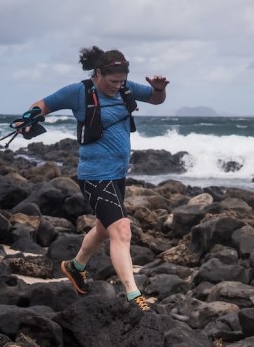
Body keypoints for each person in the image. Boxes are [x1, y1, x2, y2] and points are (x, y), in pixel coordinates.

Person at [23, 46, 169, 312]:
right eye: (113, 81)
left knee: (104, 228)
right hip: (95, 176)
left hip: (118, 174)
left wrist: (158, 89)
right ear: (98, 73)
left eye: (121, 81)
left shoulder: (125, 88)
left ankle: (75, 266)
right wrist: (30, 117)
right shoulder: (79, 92)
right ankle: (133, 296)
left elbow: (156, 99)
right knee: (122, 230)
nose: (117, 86)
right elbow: (43, 104)